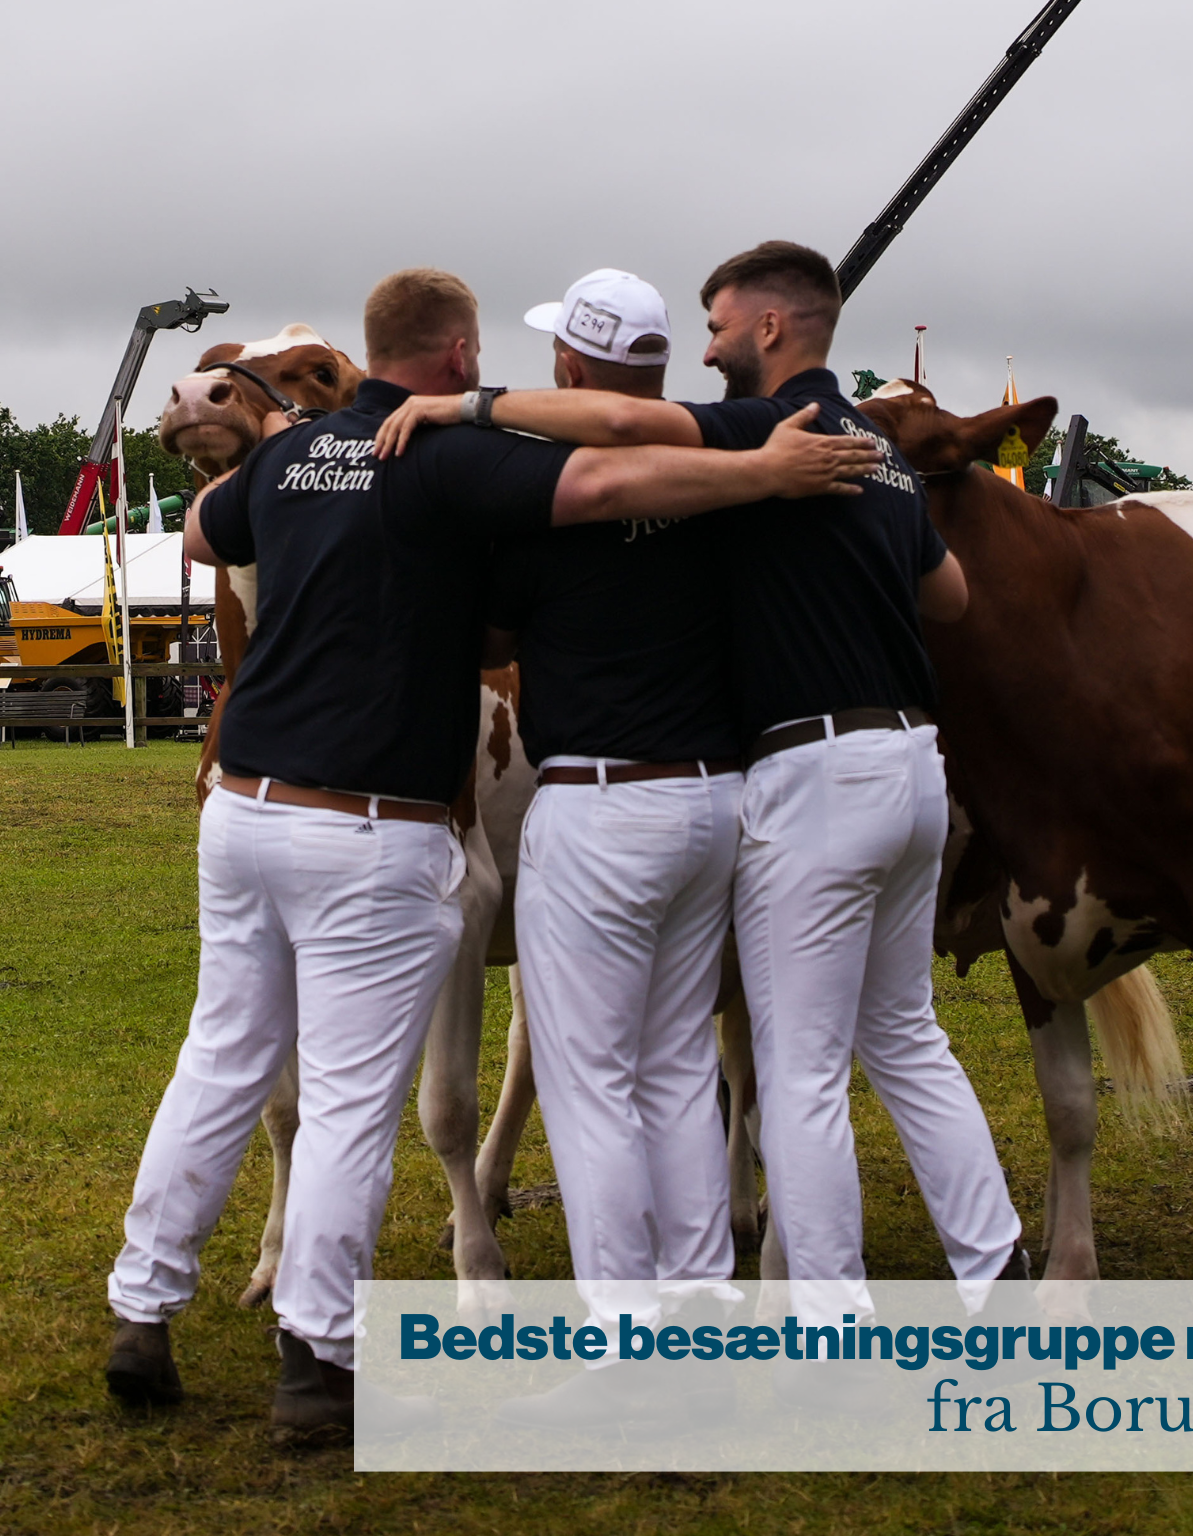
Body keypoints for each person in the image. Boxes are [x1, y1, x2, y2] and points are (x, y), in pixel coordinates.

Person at [103, 266, 880, 1442]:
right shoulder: (455, 454)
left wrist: (283, 456)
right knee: (356, 1105)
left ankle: (140, 1310)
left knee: (219, 1059)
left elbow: (208, 537)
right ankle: (315, 1363)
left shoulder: (286, 457)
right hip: (370, 821)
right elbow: (618, 470)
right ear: (461, 355)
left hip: (243, 807)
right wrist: (762, 472)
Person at [374, 241, 1024, 1347]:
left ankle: (809, 1319)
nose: (711, 344)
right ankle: (987, 1259)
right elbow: (952, 600)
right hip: (903, 765)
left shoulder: (744, 438)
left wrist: (467, 406)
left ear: (770, 330)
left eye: (722, 325)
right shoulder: (867, 448)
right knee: (895, 1035)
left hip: (782, 780)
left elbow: (624, 443)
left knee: (789, 1067)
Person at [480, 270, 743, 1428]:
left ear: (573, 371)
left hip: (598, 801)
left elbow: (485, 632)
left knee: (589, 1084)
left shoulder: (548, 488)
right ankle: (699, 1305)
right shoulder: (725, 478)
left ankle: (625, 1332)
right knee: (681, 1065)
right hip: (713, 799)